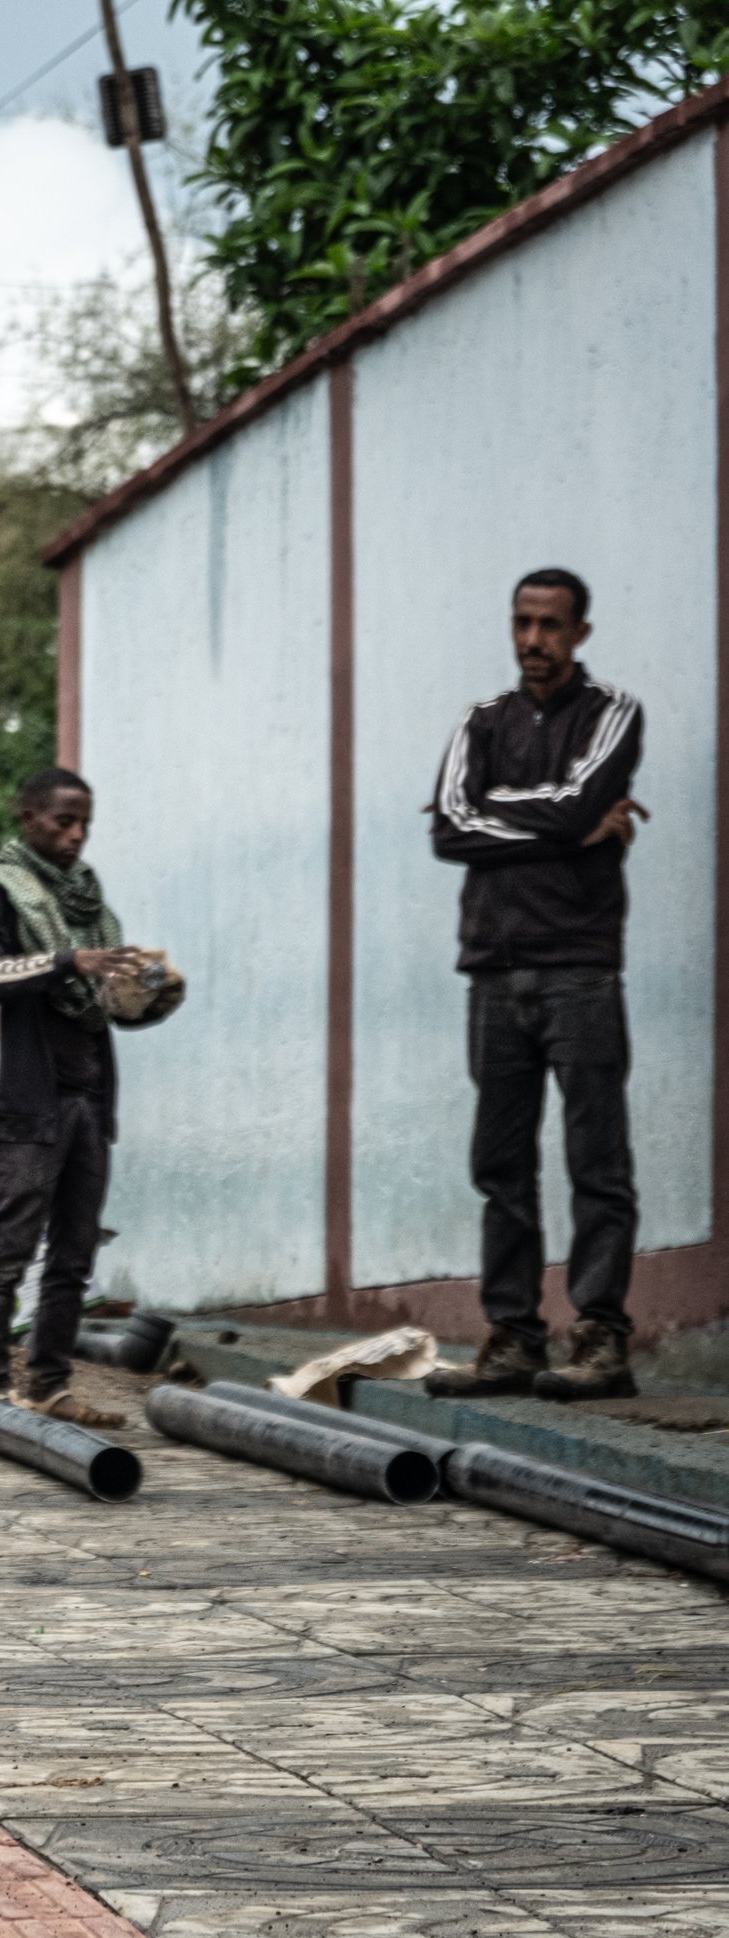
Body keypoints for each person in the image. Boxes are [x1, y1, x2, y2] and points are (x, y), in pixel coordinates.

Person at [425, 566, 649, 1402]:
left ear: (578, 632)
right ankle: (513, 1339)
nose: (532, 640)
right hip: (492, 969)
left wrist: (525, 813)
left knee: (597, 1159)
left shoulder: (611, 711)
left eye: (550, 625)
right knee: (499, 1164)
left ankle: (599, 1339)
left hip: (579, 967)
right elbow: (448, 829)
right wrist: (568, 829)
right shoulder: (480, 720)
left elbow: (569, 799)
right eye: (522, 622)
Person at [0, 767, 175, 1425]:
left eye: (84, 824)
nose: (77, 835)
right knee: (6, 1251)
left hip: (89, 1100)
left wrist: (148, 993)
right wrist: (66, 961)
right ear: (27, 818)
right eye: (63, 821)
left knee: (73, 1256)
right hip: (26, 1103)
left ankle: (50, 1386)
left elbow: (106, 1005)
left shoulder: (88, 908)